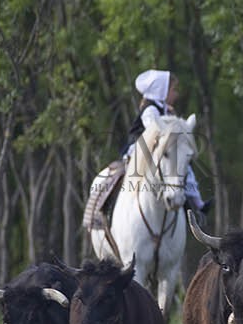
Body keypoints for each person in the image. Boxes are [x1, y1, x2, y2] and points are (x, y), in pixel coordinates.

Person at [83, 68, 208, 230]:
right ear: (161, 91)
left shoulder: (162, 108)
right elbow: (152, 131)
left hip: (159, 150)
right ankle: (104, 212)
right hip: (140, 148)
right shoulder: (150, 109)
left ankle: (194, 204)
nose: (176, 95)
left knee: (181, 168)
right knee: (123, 175)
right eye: (173, 90)